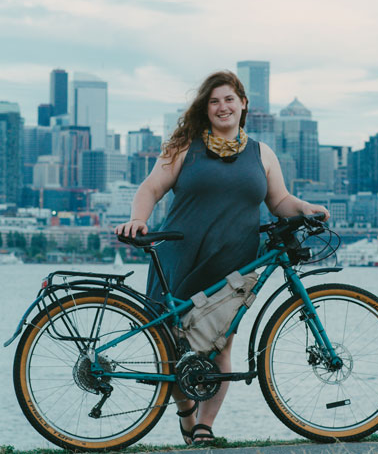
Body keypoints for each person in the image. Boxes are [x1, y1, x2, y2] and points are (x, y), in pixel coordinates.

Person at [115, 70, 329, 445]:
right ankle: (186, 415)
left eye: (229, 99)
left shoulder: (262, 153)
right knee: (171, 344)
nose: (222, 107)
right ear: (206, 108)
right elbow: (150, 187)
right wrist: (138, 219)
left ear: (243, 103)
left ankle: (204, 427)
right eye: (214, 101)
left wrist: (305, 206)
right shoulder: (185, 146)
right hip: (179, 257)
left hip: (233, 262)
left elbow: (279, 201)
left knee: (221, 344)